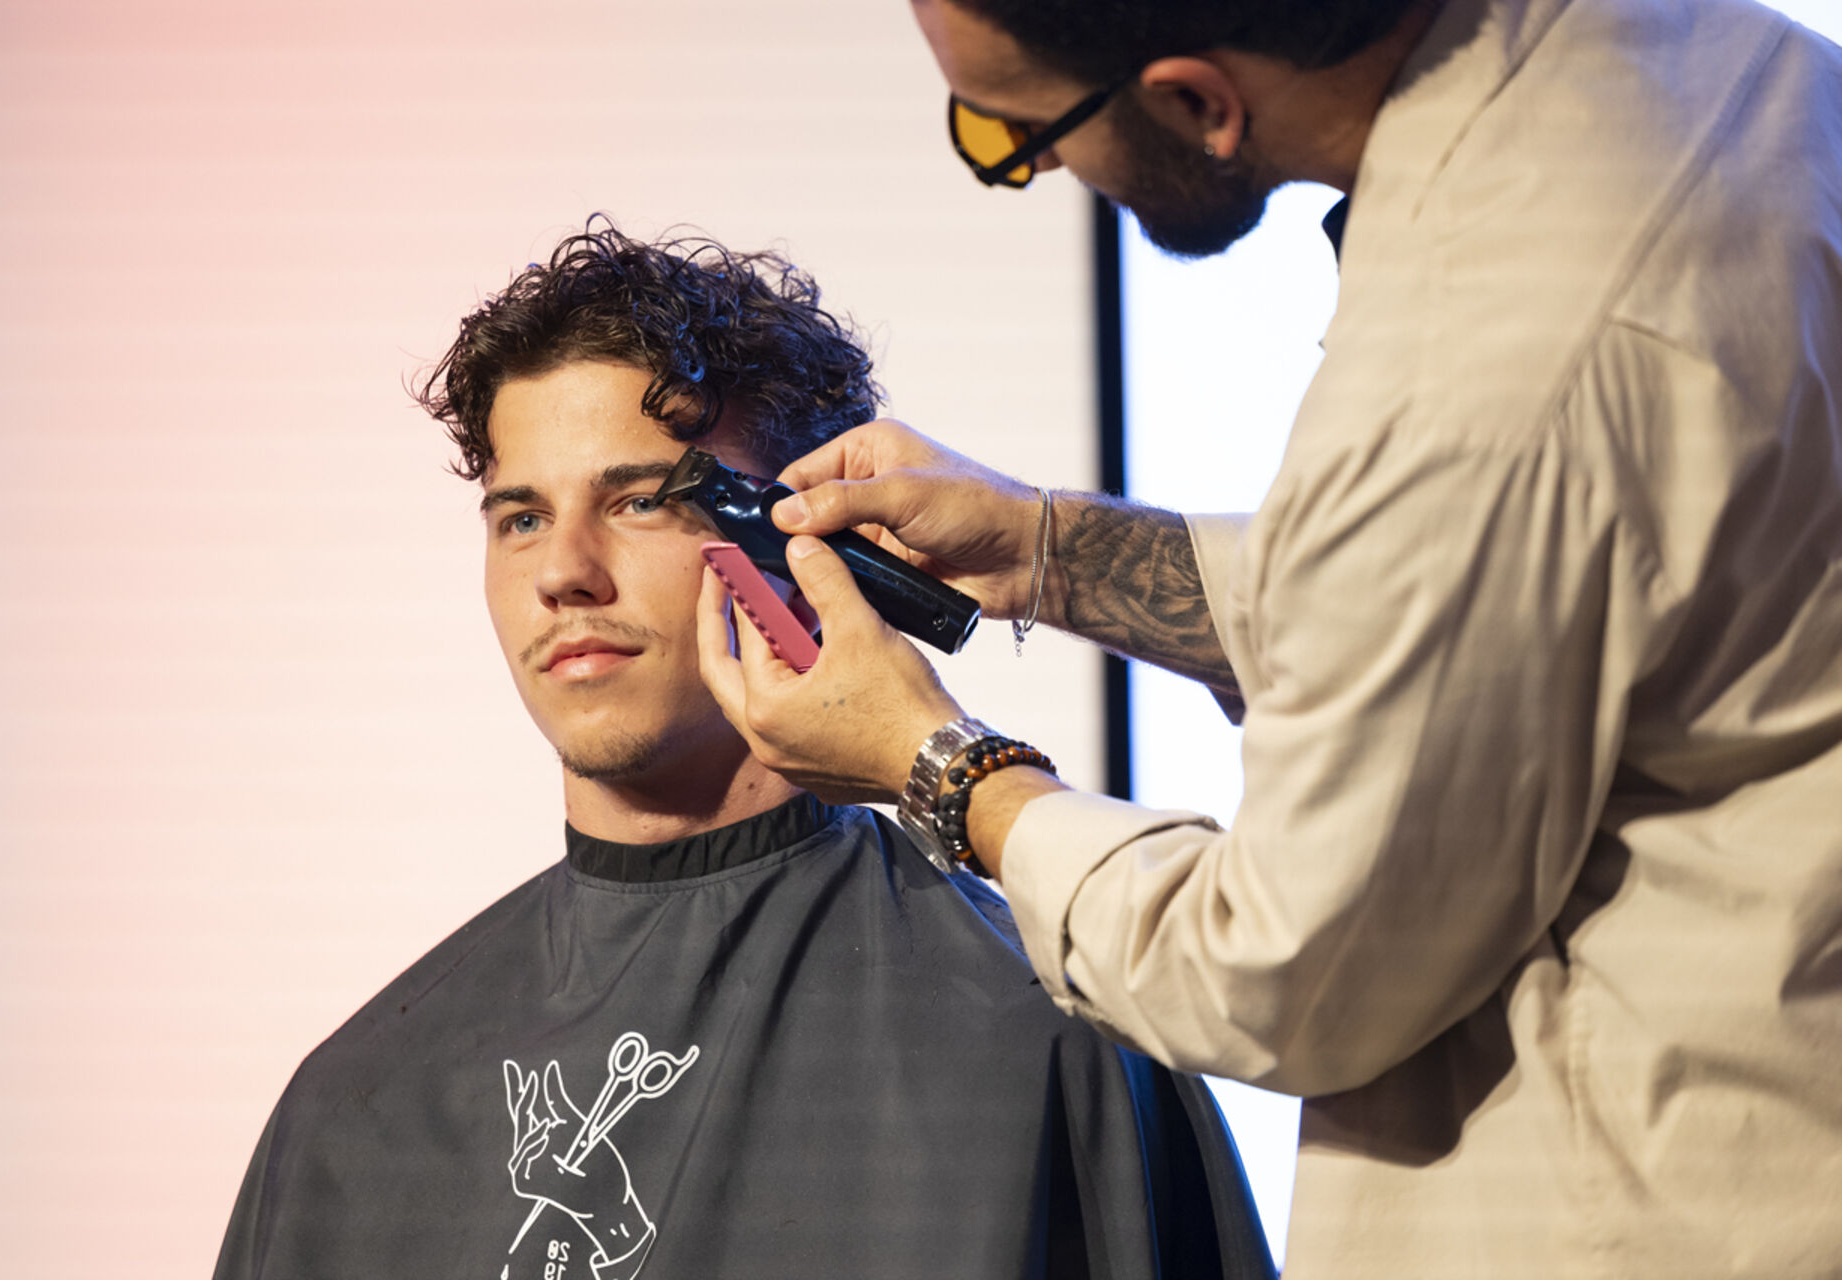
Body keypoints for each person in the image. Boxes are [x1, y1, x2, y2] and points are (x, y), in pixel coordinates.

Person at [691, 0, 1842, 1276]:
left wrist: (942, 765)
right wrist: (1054, 549)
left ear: (1197, 100)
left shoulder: (1488, 365)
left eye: (1011, 132)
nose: (1032, 167)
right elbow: (1515, 593)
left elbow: (1287, 971)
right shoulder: (1729, 62)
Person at [211, 221, 1274, 1280]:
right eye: (522, 519)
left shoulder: (1046, 1042)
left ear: (809, 541)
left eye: (640, 501)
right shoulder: (355, 1110)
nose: (564, 572)